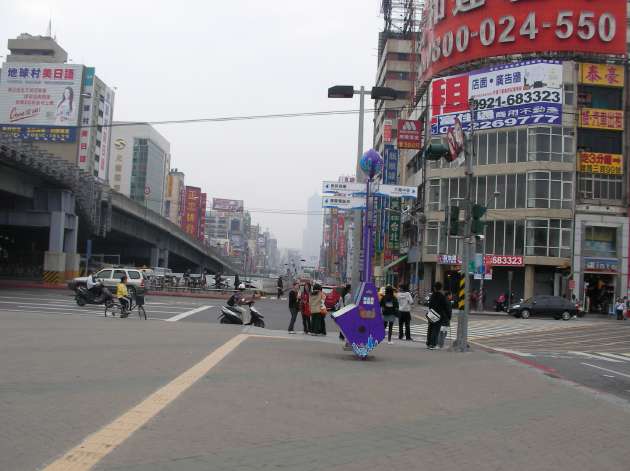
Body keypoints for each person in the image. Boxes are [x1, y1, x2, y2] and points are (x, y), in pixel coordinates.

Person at [427, 282, 449, 349]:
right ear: (441, 288)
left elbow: (429, 305)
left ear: (434, 288)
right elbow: (445, 306)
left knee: (430, 329)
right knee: (435, 330)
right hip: (439, 315)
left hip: (431, 313)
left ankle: (428, 343)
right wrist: (447, 315)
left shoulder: (432, 295)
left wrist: (431, 311)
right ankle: (433, 344)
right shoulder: (442, 296)